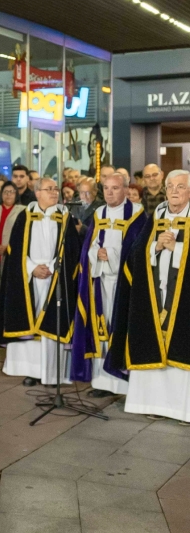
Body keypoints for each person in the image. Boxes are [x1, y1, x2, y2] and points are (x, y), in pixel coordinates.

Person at [109, 169, 190, 421]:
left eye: (180, 187)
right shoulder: (157, 215)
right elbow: (136, 254)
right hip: (154, 296)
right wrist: (155, 246)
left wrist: (175, 249)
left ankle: (181, 409)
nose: (174, 191)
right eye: (171, 186)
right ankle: (152, 404)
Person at [0, 176, 81, 386]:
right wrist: (32, 268)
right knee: (30, 321)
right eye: (49, 189)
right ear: (37, 193)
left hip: (55, 277)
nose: (54, 192)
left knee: (53, 321)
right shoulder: (24, 216)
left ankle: (53, 373)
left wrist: (53, 267)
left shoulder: (65, 216)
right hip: (30, 278)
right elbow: (14, 251)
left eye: (56, 189)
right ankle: (31, 370)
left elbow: (72, 250)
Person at [71, 172, 145, 397]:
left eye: (115, 188)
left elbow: (138, 249)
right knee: (100, 325)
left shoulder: (137, 213)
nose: (110, 192)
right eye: (106, 188)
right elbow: (88, 245)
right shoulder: (99, 213)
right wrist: (96, 253)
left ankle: (124, 381)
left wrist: (112, 255)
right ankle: (103, 383)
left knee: (120, 324)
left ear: (125, 189)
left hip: (125, 282)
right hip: (101, 279)